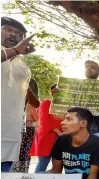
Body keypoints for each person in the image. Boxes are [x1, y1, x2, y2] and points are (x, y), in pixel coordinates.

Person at [1, 16, 38, 172]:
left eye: (19, 34)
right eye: (9, 30)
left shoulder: (23, 68)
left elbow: (34, 103)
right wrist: (15, 50)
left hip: (9, 136)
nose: (14, 35)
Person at [50, 107, 99, 179]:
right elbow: (56, 171)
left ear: (83, 123)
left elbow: (93, 175)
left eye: (69, 119)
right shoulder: (61, 140)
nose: (62, 122)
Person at [29, 84, 64, 173]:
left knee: (57, 166)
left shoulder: (65, 106)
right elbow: (44, 121)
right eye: (55, 90)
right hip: (46, 137)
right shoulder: (46, 103)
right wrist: (59, 132)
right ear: (52, 92)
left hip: (61, 138)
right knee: (43, 163)